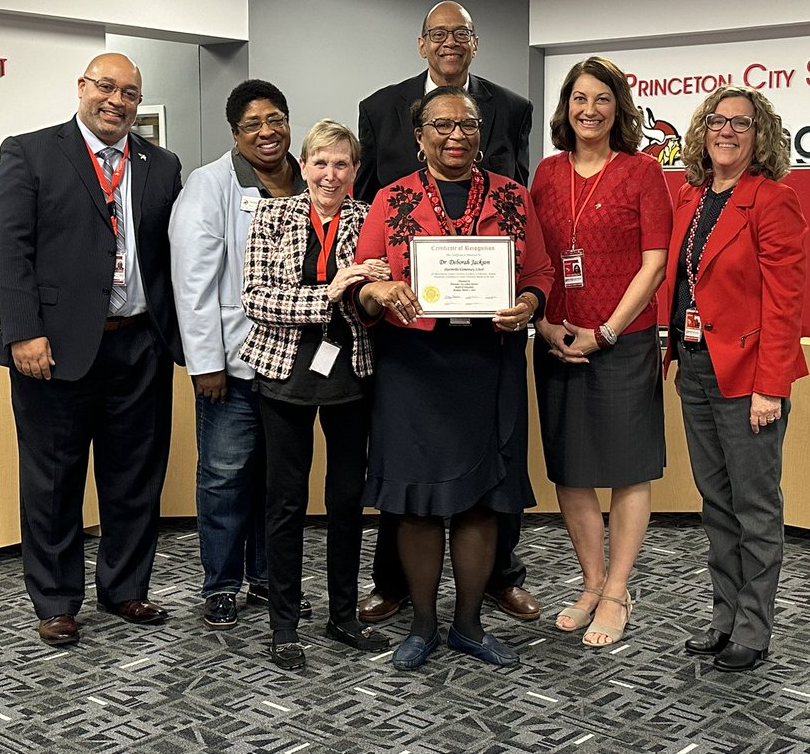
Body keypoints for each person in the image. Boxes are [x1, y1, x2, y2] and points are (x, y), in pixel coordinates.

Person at [0, 53, 184, 646]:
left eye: (129, 93)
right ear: (82, 87)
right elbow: (6, 248)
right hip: (53, 349)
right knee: (53, 482)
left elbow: (172, 255)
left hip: (140, 345)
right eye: (106, 87)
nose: (116, 101)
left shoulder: (161, 165)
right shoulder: (30, 153)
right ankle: (56, 600)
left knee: (135, 479)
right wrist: (23, 330)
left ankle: (125, 588)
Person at [351, 85, 553, 670]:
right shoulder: (390, 199)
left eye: (467, 124)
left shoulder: (512, 195)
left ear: (481, 134)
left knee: (480, 501)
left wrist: (529, 303)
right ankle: (422, 625)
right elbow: (362, 281)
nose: (456, 135)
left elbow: (540, 272)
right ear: (420, 137)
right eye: (441, 125)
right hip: (413, 366)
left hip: (488, 364)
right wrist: (380, 288)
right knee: (415, 502)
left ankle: (468, 625)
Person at [663, 85, 808, 672]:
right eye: (717, 121)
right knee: (716, 505)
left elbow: (785, 304)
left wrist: (771, 386)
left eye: (741, 123)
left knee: (754, 508)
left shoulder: (773, 201)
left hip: (748, 378)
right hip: (695, 367)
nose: (727, 131)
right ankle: (725, 619)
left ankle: (754, 628)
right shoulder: (690, 196)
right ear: (703, 132)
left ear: (760, 135)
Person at [530, 57, 673, 648]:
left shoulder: (643, 172)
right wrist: (545, 326)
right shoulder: (546, 173)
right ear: (566, 108)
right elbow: (533, 260)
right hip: (558, 339)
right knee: (571, 468)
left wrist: (607, 331)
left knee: (627, 468)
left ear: (619, 108)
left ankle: (617, 590)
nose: (589, 110)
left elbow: (655, 264)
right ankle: (591, 582)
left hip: (623, 341)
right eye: (580, 99)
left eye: (602, 99)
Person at [240, 120, 391, 671]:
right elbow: (255, 298)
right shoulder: (271, 216)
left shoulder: (370, 217)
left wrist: (362, 286)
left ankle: (343, 615)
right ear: (303, 167)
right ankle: (283, 625)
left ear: (355, 170)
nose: (331, 174)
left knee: (347, 500)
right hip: (285, 373)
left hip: (350, 371)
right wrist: (329, 293)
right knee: (285, 502)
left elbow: (377, 291)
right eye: (321, 163)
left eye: (341, 164)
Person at [169, 79, 312, 631]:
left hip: (294, 364)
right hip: (233, 364)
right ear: (235, 133)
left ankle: (269, 579)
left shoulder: (309, 180)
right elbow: (193, 283)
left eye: (275, 119)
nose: (266, 132)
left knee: (280, 481)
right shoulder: (210, 186)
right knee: (226, 477)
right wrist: (205, 363)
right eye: (252, 124)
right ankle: (222, 585)